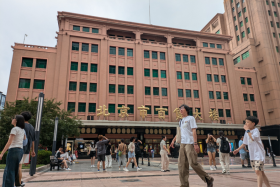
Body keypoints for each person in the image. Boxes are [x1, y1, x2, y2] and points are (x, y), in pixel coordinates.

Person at [170, 104, 214, 187]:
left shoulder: (191, 118)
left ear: (186, 110)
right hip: (182, 144)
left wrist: (195, 143)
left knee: (193, 163)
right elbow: (179, 133)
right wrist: (173, 140)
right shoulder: (181, 120)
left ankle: (208, 178)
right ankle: (184, 184)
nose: (180, 110)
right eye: (179, 109)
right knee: (181, 165)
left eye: (182, 108)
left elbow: (194, 131)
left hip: (190, 143)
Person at [233, 116, 271, 187]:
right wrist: (238, 149)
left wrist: (247, 130)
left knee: (258, 171)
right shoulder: (246, 132)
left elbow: (253, 138)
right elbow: (245, 143)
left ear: (253, 123)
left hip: (259, 154)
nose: (246, 124)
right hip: (252, 155)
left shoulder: (256, 131)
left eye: (247, 122)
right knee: (261, 172)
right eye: (245, 122)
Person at [1, 115, 26, 187]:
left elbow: (9, 142)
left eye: (13, 118)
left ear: (16, 120)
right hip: (20, 150)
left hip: (13, 150)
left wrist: (2, 153)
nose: (12, 119)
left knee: (9, 170)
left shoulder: (14, 129)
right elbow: (24, 139)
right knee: (14, 170)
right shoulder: (22, 130)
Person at [15, 111, 36, 187]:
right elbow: (33, 140)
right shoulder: (32, 127)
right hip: (27, 149)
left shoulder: (21, 126)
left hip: (20, 148)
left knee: (18, 167)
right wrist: (33, 150)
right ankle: (19, 182)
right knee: (19, 166)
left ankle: (19, 183)